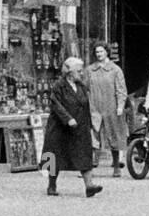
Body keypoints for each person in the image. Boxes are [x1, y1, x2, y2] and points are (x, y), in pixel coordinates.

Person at [42, 57, 102, 198]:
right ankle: (51, 185)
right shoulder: (59, 86)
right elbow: (56, 104)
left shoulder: (81, 86)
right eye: (79, 71)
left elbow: (86, 104)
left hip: (80, 126)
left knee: (84, 154)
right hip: (60, 127)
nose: (81, 73)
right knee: (55, 155)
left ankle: (89, 186)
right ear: (70, 72)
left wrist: (92, 124)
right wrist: (68, 119)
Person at [87, 43, 129, 177]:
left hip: (111, 107)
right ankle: (90, 167)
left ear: (107, 52)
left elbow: (121, 90)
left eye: (101, 51)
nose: (99, 54)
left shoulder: (115, 70)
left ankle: (116, 166)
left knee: (114, 136)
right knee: (93, 137)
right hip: (94, 107)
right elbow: (85, 89)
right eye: (97, 52)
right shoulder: (90, 70)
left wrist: (120, 106)